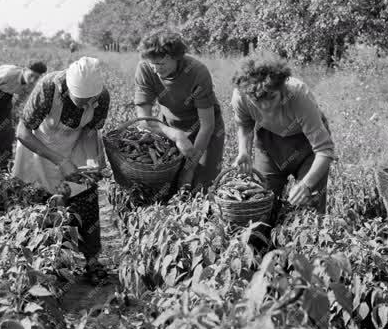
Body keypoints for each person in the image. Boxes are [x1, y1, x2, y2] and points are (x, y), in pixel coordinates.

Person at [13, 57, 110, 281]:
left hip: (74, 146)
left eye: (90, 101)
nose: (86, 106)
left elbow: (89, 131)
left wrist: (91, 162)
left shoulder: (102, 97)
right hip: (38, 149)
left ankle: (92, 261)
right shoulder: (49, 87)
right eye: (81, 101)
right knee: (40, 208)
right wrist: (59, 161)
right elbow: (23, 132)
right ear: (69, 88)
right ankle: (42, 265)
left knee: (85, 198)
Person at [231, 57, 335, 247]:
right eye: (257, 101)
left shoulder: (298, 95)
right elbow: (244, 124)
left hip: (307, 145)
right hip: (269, 142)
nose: (265, 107)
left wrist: (306, 185)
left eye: (271, 97)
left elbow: (324, 151)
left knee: (309, 206)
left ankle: (308, 258)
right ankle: (262, 255)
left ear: (282, 89)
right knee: (261, 202)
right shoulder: (241, 95)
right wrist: (243, 151)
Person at [134, 31, 225, 193]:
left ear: (177, 58)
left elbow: (207, 125)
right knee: (170, 179)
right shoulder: (145, 68)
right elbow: (144, 120)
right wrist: (175, 135)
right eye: (152, 64)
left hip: (204, 129)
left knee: (201, 183)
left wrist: (190, 168)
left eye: (161, 64)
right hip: (169, 125)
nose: (155, 70)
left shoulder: (197, 72)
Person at [0, 61, 47, 168]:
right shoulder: (9, 74)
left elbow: (22, 98)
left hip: (5, 98)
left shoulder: (31, 84)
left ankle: (3, 164)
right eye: (31, 75)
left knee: (6, 132)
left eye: (36, 77)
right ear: (24, 70)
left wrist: (13, 112)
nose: (33, 80)